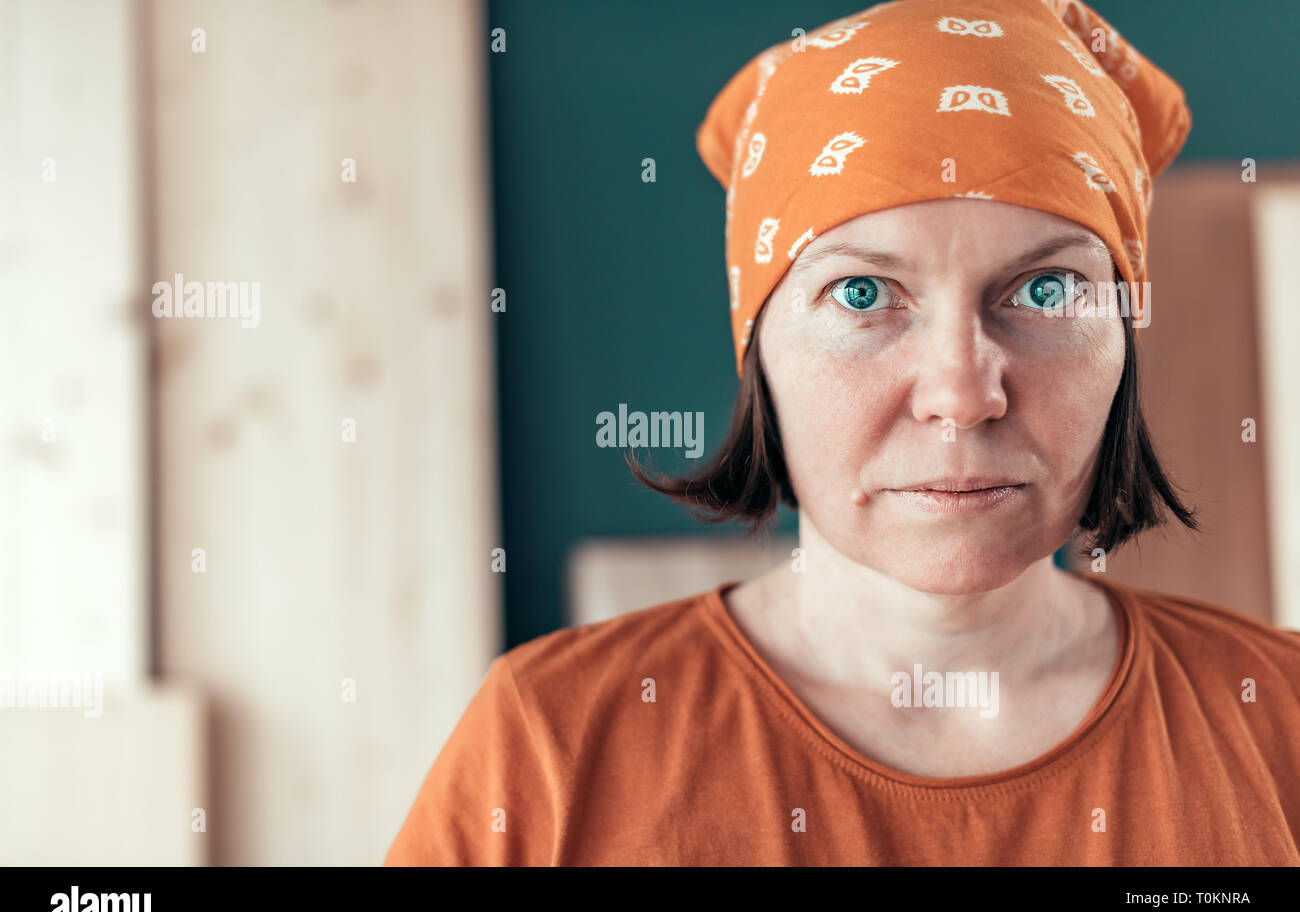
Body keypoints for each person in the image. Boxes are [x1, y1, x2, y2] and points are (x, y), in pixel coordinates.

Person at [385, 0, 1300, 865]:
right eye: (863, 294)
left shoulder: (1280, 720)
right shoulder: (546, 745)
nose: (960, 394)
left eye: (1045, 290)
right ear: (758, 349)